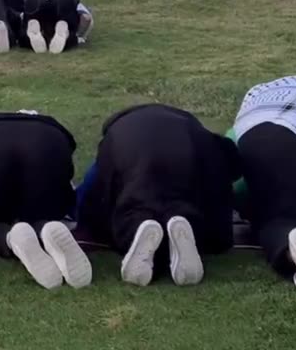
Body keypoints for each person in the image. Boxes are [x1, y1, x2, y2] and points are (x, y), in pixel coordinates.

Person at [77, 104, 239, 287]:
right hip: (189, 155)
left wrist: (87, 219)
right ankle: (187, 229)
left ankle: (136, 230)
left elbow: (94, 187)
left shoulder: (115, 136)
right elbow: (230, 161)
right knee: (186, 208)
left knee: (131, 212)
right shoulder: (193, 126)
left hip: (136, 179)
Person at [0, 111, 90, 289]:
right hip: (48, 145)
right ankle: (45, 227)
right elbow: (66, 176)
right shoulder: (48, 125)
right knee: (45, 213)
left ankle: (9, 238)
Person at [231, 76, 296, 288]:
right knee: (288, 210)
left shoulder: (261, 88)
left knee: (265, 210)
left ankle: (291, 241)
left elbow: (231, 140)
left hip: (253, 136)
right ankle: (292, 234)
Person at [23, 0, 93, 54]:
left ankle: (32, 35)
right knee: (70, 24)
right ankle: (66, 34)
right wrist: (79, 37)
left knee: (30, 22)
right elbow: (86, 17)